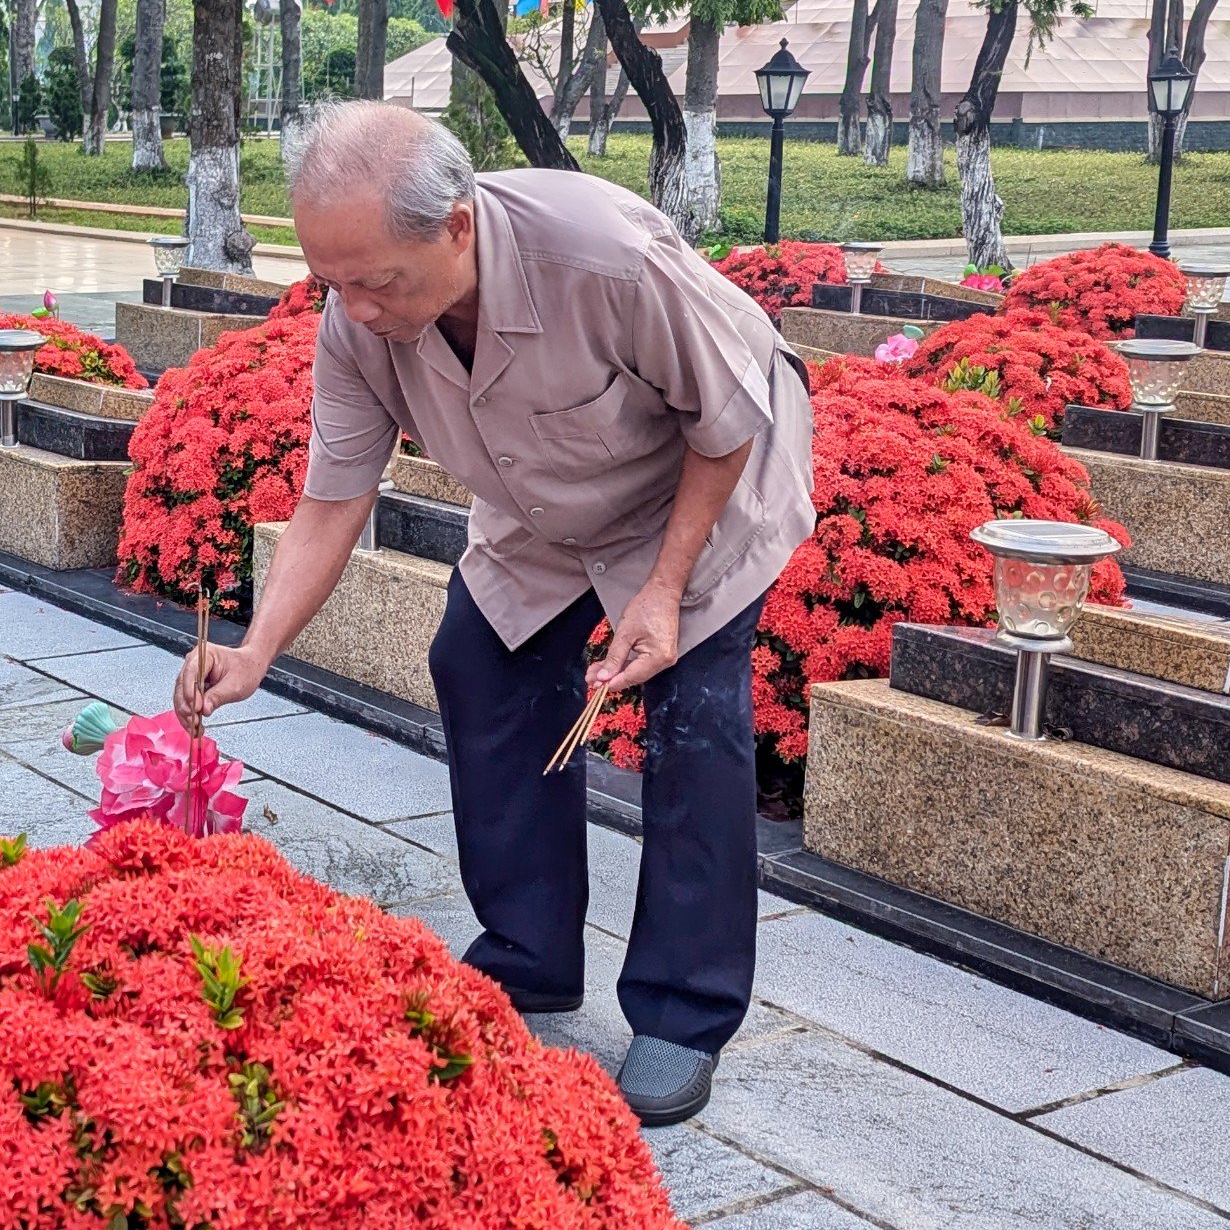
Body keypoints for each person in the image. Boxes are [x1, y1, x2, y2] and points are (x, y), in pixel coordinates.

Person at [174, 101, 813, 1125]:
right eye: (331, 283)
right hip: (547, 496)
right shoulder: (356, 319)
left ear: (457, 227)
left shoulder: (602, 256)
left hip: (703, 484)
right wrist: (256, 651)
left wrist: (660, 590)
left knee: (692, 721)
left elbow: (728, 416)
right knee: (478, 662)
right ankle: (529, 951)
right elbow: (333, 495)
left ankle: (681, 1014)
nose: (359, 310)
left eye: (379, 280)